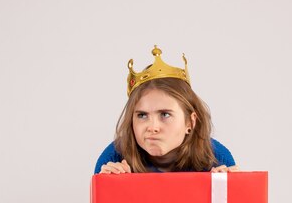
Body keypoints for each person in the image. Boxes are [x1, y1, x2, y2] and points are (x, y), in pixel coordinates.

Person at [94, 46, 239, 174]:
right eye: (142, 115)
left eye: (165, 114)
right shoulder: (115, 156)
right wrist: (110, 186)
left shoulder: (216, 156)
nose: (152, 127)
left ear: (190, 122)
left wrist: (229, 188)